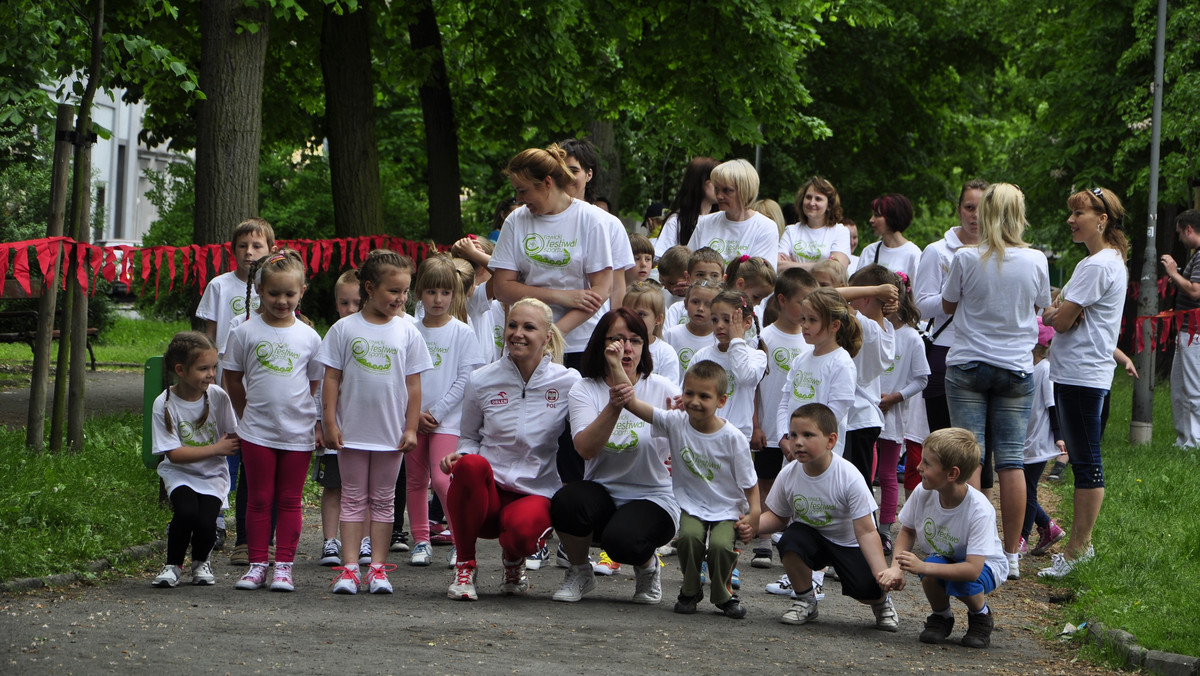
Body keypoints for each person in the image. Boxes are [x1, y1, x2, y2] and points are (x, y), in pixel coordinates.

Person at [942, 183, 1051, 580]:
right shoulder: (1036, 259)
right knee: (1011, 462)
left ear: (985, 213)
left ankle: (974, 547)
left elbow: (949, 303)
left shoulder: (966, 257)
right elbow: (1041, 305)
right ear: (1019, 213)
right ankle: (1011, 554)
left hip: (969, 364)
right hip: (1016, 369)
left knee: (969, 457)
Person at [441, 298, 581, 601]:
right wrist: (461, 455)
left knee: (522, 534)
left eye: (528, 327)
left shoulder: (568, 381)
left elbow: (587, 431)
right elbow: (468, 437)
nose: (517, 333)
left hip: (535, 490)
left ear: (547, 337)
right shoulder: (481, 379)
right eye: (512, 325)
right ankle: (465, 566)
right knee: (469, 465)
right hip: (489, 491)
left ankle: (514, 561)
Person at [491, 144, 614, 485]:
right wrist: (559, 297)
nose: (519, 199)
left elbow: (601, 288)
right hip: (530, 343)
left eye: (523, 190)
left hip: (579, 343)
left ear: (547, 182)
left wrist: (554, 333)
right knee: (536, 431)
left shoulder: (588, 219)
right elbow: (503, 286)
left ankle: (577, 515)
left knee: (577, 432)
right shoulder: (518, 221)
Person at [319, 249, 432, 595]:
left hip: (391, 434)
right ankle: (350, 568)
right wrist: (329, 422)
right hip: (351, 431)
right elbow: (331, 379)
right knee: (353, 497)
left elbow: (414, 386)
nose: (401, 298)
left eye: (405, 291)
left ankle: (378, 569)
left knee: (383, 499)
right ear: (369, 288)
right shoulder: (343, 329)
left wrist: (411, 427)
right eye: (393, 291)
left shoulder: (409, 331)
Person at [550, 309, 680, 603]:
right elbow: (585, 449)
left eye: (635, 340)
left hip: (653, 496)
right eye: (618, 340)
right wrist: (614, 404)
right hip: (603, 493)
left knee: (623, 542)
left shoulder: (661, 388)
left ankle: (647, 569)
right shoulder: (585, 389)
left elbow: (688, 440)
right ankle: (580, 570)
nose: (627, 348)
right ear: (601, 344)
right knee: (566, 501)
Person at [613, 359, 760, 619]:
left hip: (726, 507)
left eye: (705, 396)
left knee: (719, 547)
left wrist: (754, 514)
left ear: (721, 401)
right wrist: (615, 363)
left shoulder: (733, 438)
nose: (694, 401)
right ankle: (690, 591)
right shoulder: (675, 422)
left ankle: (724, 595)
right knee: (689, 539)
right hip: (691, 504)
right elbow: (634, 404)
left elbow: (750, 482)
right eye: (689, 393)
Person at [1038, 187, 1128, 579]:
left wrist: (1059, 312)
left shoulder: (1095, 266)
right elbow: (1061, 315)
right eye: (1071, 212)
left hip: (1081, 376)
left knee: (1087, 463)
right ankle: (1079, 548)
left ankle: (1077, 551)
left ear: (1102, 219)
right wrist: (1062, 312)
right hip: (1087, 374)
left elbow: (1055, 319)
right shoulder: (1104, 261)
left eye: (1080, 213)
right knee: (1085, 461)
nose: (1072, 220)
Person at [222, 250, 322, 593]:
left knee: (290, 499)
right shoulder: (244, 332)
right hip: (257, 432)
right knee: (259, 498)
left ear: (302, 292)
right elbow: (232, 378)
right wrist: (245, 411)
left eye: (289, 294)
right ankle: (256, 564)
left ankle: (284, 566)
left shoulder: (310, 337)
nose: (282, 301)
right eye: (274, 293)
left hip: (297, 432)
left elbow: (313, 384)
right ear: (260, 291)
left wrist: (311, 418)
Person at [759, 403, 899, 631]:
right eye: (793, 435)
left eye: (808, 435)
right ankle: (806, 600)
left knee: (867, 591)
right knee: (790, 540)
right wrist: (748, 524)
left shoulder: (849, 476)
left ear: (831, 440)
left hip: (849, 544)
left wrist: (880, 573)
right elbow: (777, 517)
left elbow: (866, 531)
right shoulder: (788, 474)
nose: (798, 442)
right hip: (812, 541)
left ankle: (882, 603)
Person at [877, 428, 1007, 648]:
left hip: (984, 566)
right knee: (931, 569)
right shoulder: (923, 492)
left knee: (950, 575)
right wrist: (896, 568)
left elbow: (972, 569)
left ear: (952, 474)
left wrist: (923, 567)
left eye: (927, 463)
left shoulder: (979, 510)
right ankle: (941, 617)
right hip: (948, 557)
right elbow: (908, 530)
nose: (919, 467)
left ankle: (980, 615)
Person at [195, 217, 273, 562]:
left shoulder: (273, 286)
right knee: (225, 449)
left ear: (270, 250)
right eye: (243, 246)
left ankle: (251, 526)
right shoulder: (220, 286)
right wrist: (208, 376)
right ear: (232, 250)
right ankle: (216, 516)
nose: (250, 252)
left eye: (257, 246)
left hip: (262, 383)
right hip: (226, 380)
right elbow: (209, 336)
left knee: (251, 451)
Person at [407, 256, 485, 568]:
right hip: (412, 419)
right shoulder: (409, 331)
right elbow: (400, 377)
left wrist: (436, 412)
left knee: (442, 479)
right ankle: (421, 540)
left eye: (445, 293)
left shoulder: (462, 332)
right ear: (419, 293)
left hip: (448, 419)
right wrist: (413, 414)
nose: (438, 300)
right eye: (431, 292)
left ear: (455, 295)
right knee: (415, 480)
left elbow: (466, 378)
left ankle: (459, 539)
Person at [150, 332, 239, 587]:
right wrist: (216, 448)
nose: (211, 373)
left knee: (206, 519)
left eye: (214, 367)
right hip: (179, 473)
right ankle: (173, 565)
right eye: (203, 368)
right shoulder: (164, 403)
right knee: (187, 512)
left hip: (213, 474)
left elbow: (233, 434)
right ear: (181, 370)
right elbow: (175, 454)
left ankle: (201, 562)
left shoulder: (218, 396)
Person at [751, 267, 819, 568]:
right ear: (781, 300)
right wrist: (755, 424)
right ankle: (763, 541)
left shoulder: (811, 342)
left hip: (802, 431)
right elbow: (752, 386)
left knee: (797, 482)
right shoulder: (764, 337)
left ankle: (793, 535)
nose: (806, 310)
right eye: (802, 301)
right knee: (765, 481)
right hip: (768, 426)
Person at [914, 180, 987, 435]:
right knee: (945, 441)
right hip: (945, 350)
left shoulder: (999, 253)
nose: (975, 215)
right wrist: (955, 299)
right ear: (959, 210)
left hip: (985, 353)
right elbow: (920, 307)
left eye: (982, 207)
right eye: (969, 207)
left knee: (978, 446)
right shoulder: (937, 251)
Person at [875, 270, 929, 553]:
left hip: (892, 416)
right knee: (865, 470)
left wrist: (895, 397)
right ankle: (864, 526)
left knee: (886, 474)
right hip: (864, 413)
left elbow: (921, 378)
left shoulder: (911, 338)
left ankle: (884, 531)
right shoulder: (870, 330)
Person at [314, 270, 361, 567]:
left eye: (357, 302)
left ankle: (363, 540)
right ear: (336, 304)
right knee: (334, 486)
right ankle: (330, 541)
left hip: (365, 427)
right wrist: (320, 423)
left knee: (363, 490)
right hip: (335, 426)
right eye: (344, 303)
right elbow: (318, 386)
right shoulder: (333, 336)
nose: (351, 309)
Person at [560, 138, 634, 307]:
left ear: (589, 174)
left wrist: (613, 328)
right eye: (561, 170)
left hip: (591, 329)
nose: (567, 176)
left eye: (573, 170)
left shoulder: (610, 224)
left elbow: (616, 287)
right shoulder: (540, 217)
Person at [691, 289, 768, 442]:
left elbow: (744, 377)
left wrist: (737, 341)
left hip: (737, 436)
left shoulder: (757, 355)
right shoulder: (702, 355)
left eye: (727, 320)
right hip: (704, 433)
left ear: (746, 322)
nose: (719, 325)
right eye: (714, 320)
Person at [1022, 318, 1067, 557]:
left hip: (1038, 442)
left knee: (1027, 490)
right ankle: (1049, 527)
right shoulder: (1030, 367)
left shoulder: (1046, 369)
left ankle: (1022, 537)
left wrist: (1059, 437)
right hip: (1026, 439)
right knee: (1023, 489)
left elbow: (1052, 406)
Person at [686, 159, 779, 269]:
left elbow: (759, 277)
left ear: (745, 190)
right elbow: (688, 264)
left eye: (727, 190)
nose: (719, 196)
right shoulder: (705, 223)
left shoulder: (765, 227)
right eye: (717, 189)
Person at [1161, 209, 1200, 449]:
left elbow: (1196, 291)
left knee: (1194, 388)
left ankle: (1196, 441)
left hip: (1194, 333)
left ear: (1189, 229)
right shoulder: (1196, 256)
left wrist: (1174, 272)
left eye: (1179, 233)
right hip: (1186, 332)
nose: (1179, 239)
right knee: (1180, 388)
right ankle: (1184, 439)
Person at [778, 176, 852, 271]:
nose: (812, 203)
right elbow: (777, 266)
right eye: (808, 197)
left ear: (829, 205)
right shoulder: (791, 231)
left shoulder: (840, 231)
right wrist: (824, 264)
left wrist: (792, 265)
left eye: (818, 199)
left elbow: (836, 270)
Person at [655, 156, 719, 259]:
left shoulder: (722, 219)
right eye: (715, 182)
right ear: (700, 183)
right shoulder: (676, 221)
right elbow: (663, 259)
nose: (720, 188)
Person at [623, 281, 681, 386]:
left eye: (641, 314)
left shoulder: (665, 352)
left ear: (658, 319)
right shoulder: (618, 346)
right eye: (628, 312)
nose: (634, 318)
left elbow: (670, 391)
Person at [662, 280, 720, 374]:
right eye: (695, 302)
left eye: (708, 304)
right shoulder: (672, 335)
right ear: (685, 303)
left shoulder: (719, 340)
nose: (700, 308)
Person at [860, 194, 921, 280]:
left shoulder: (913, 254)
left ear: (893, 217)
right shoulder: (869, 251)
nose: (871, 220)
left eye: (877, 215)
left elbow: (917, 291)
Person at [665, 247, 725, 328]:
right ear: (688, 278)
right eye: (700, 275)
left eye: (714, 276)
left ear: (723, 279)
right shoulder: (676, 310)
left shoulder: (726, 312)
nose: (707, 279)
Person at [656, 245, 691, 312]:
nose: (665, 287)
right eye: (662, 281)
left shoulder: (694, 300)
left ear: (688, 278)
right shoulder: (662, 295)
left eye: (671, 283)